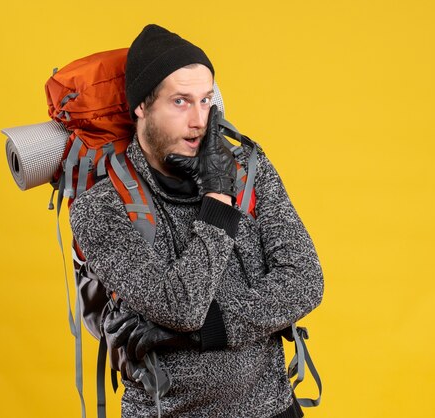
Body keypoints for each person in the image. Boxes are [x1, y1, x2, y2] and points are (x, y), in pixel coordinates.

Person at [70, 24, 324, 418]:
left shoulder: (247, 170)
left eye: (206, 100)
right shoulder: (101, 208)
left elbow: (305, 281)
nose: (199, 121)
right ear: (142, 106)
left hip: (273, 407)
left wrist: (201, 331)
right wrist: (218, 198)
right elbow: (181, 307)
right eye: (180, 102)